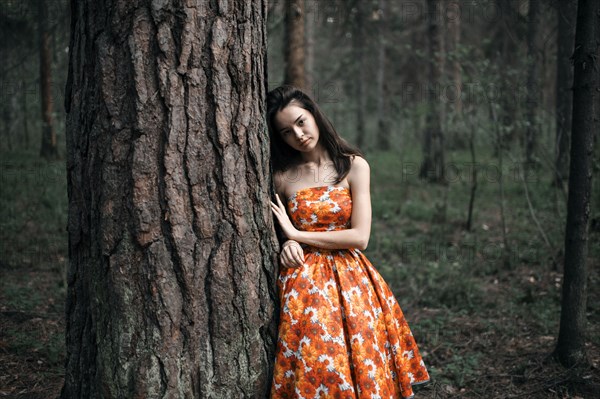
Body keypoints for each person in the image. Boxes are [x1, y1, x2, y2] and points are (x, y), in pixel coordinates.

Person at [268, 85, 429, 399]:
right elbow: (277, 232)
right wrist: (287, 244)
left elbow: (360, 237)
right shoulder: (282, 177)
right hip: (304, 282)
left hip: (354, 279)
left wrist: (297, 235)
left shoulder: (353, 166)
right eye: (286, 131)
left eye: (301, 121)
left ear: (314, 114)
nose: (298, 134)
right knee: (317, 359)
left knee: (362, 357)